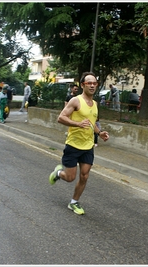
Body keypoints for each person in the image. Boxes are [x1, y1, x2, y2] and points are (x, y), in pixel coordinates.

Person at [49, 72, 109, 215]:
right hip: (73, 145)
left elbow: (91, 123)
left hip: (88, 146)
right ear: (83, 85)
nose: (93, 85)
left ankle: (74, 202)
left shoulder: (95, 104)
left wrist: (99, 133)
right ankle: (58, 173)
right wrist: (77, 124)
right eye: (89, 83)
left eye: (95, 83)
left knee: (84, 176)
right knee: (70, 178)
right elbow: (61, 118)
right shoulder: (75, 101)